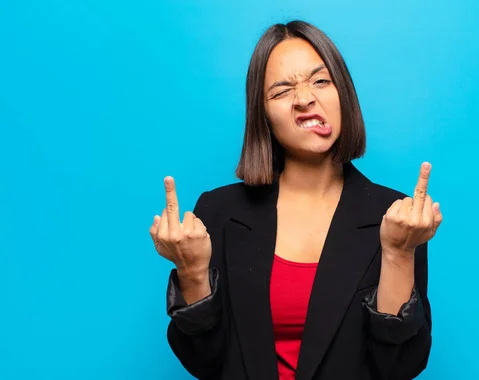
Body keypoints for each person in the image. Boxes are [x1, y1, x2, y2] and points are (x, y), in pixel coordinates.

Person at [149, 20, 443, 380]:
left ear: (344, 94)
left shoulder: (399, 219)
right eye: (282, 90)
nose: (305, 99)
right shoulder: (219, 213)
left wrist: (398, 253)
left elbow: (399, 366)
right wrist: (192, 273)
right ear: (264, 117)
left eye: (320, 81)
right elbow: (205, 362)